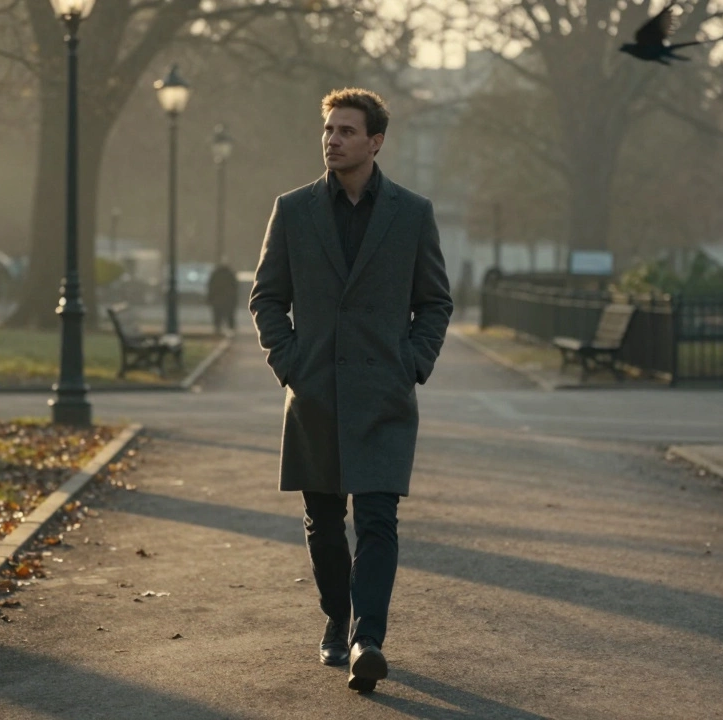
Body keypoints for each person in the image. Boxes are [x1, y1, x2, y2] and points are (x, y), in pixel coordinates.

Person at [248, 88, 452, 693]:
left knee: (380, 520)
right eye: (328, 130)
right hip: (314, 394)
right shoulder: (294, 208)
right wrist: (291, 365)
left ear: (376, 141)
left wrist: (410, 363)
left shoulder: (411, 214)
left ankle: (369, 637)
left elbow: (435, 300)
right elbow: (266, 297)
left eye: (346, 131)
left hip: (384, 394)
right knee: (323, 521)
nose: (332, 139)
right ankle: (337, 613)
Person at [206, 261, 239, 334]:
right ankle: (231, 329)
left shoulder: (215, 274)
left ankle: (218, 329)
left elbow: (211, 287)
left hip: (218, 298)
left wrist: (210, 298)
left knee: (218, 315)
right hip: (228, 299)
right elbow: (235, 287)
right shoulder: (230, 274)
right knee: (229, 315)